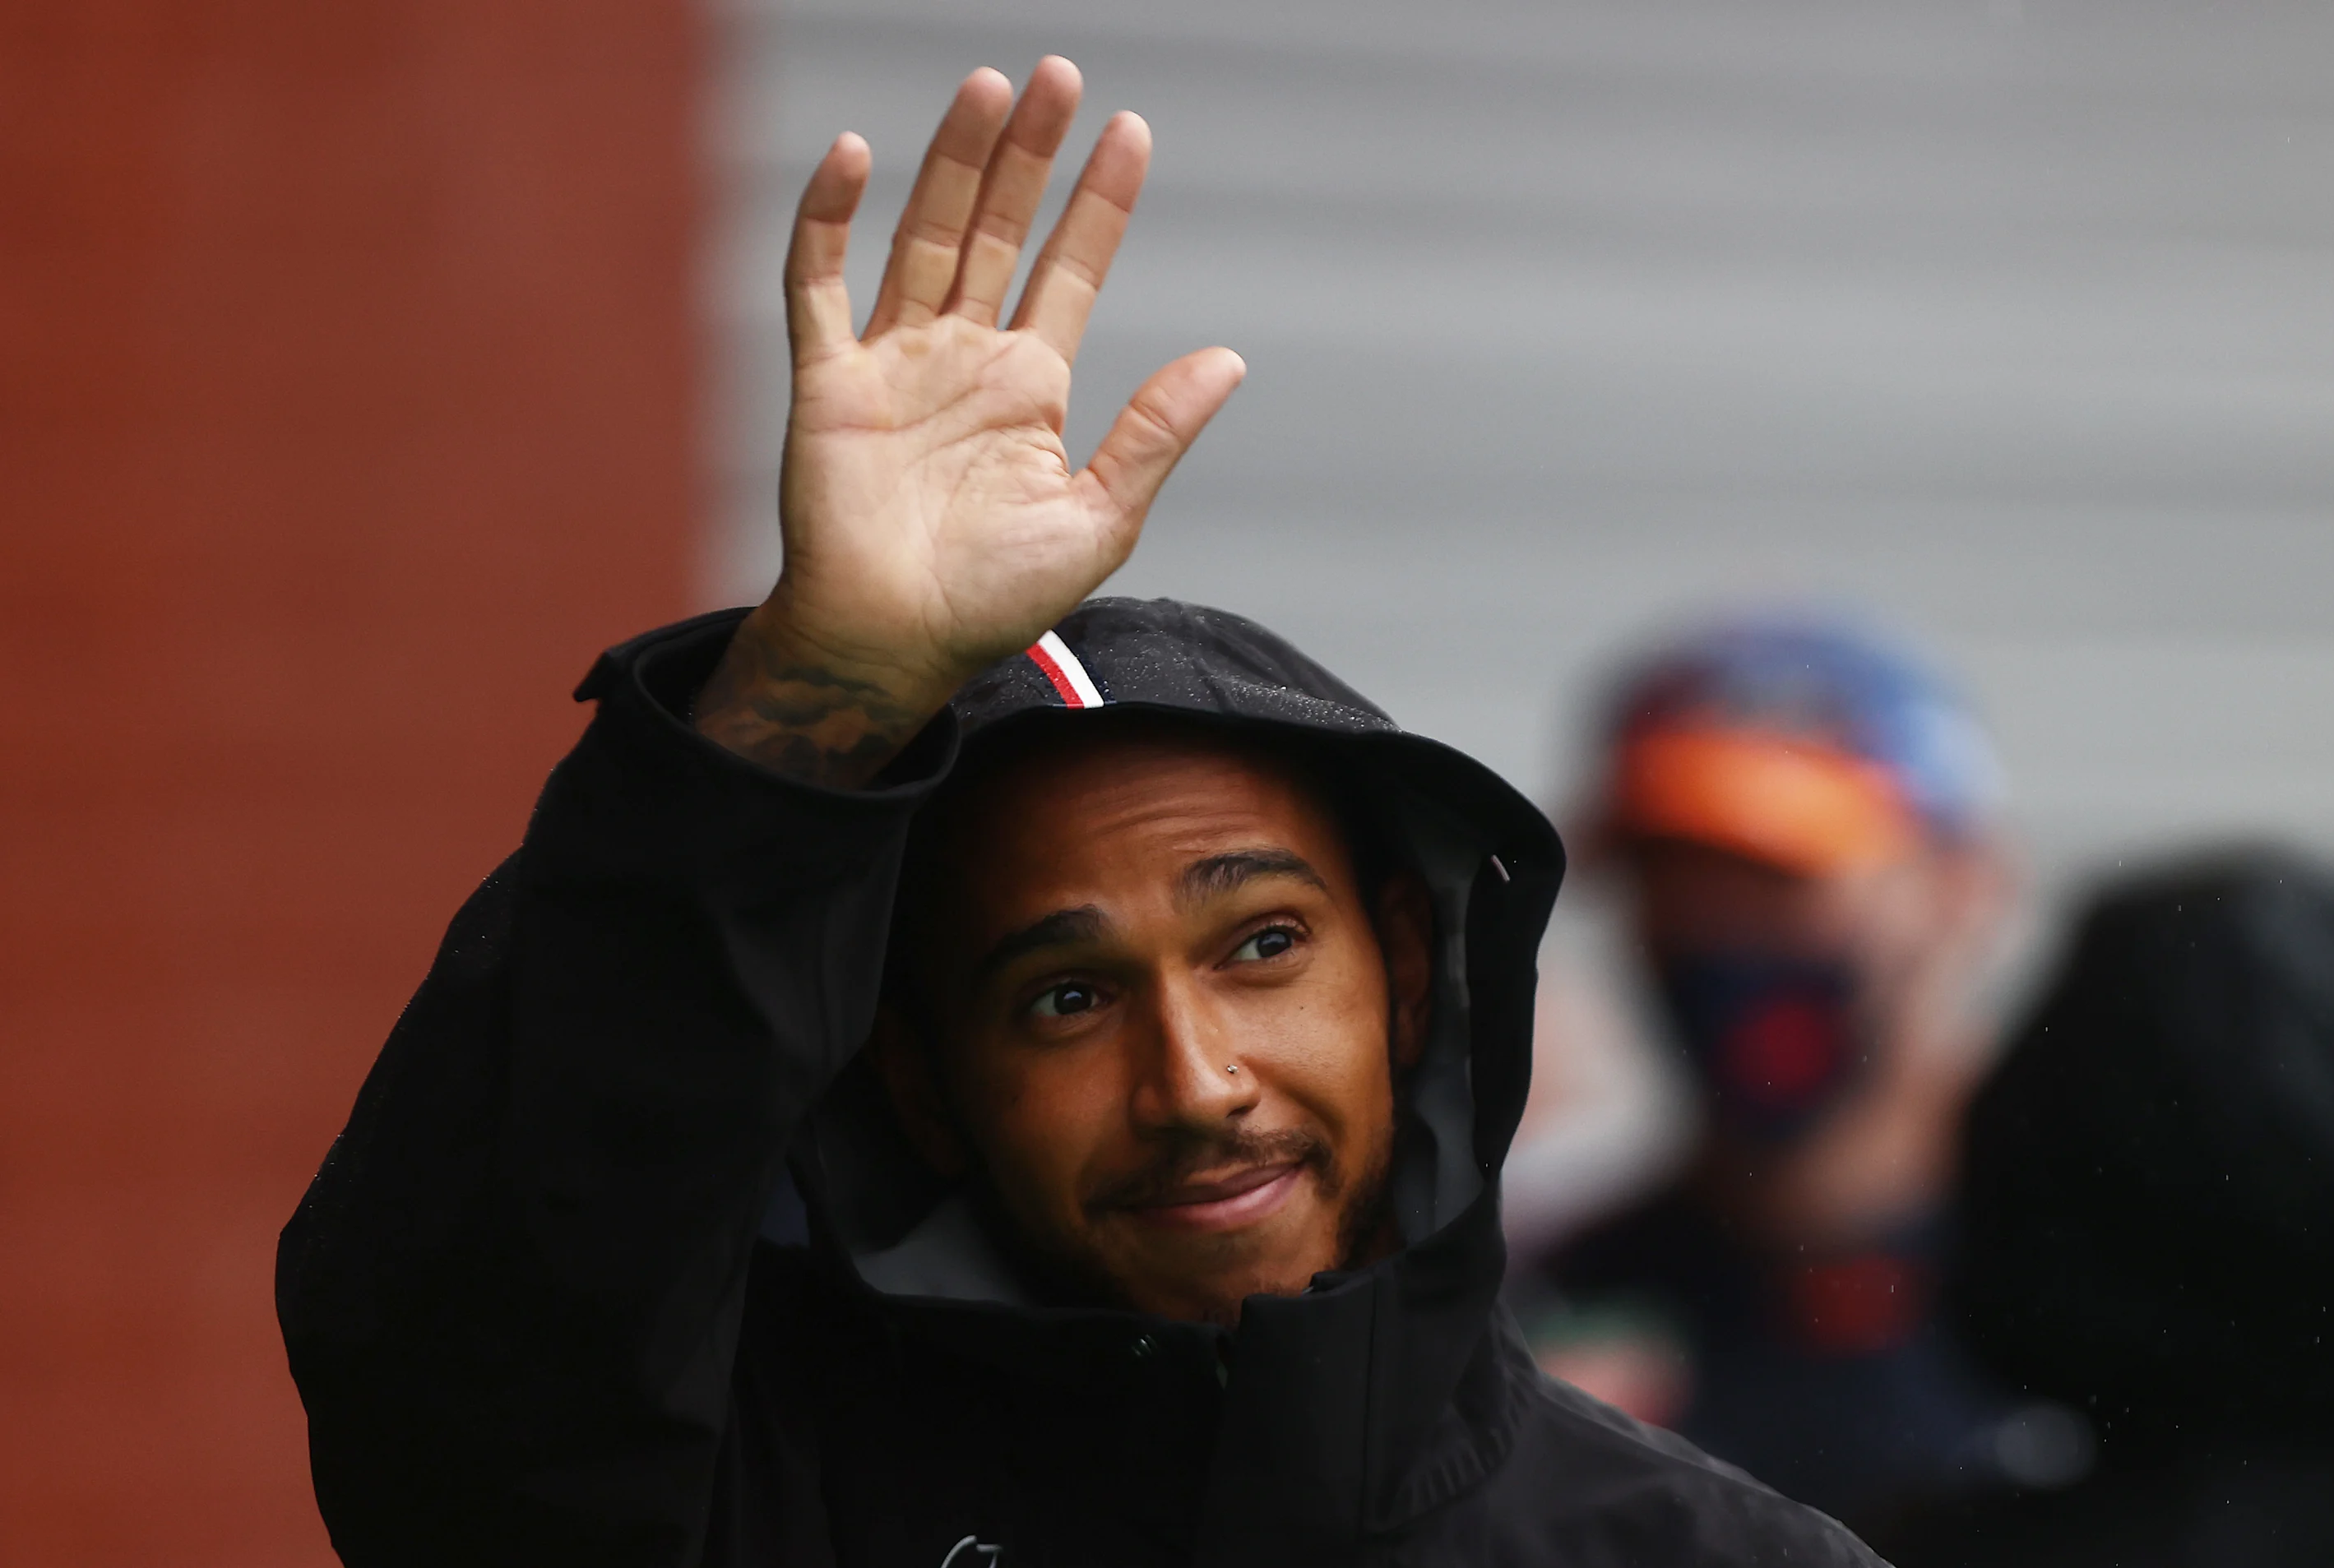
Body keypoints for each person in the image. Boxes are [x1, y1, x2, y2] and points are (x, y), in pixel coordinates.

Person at [273, 58, 1887, 1568]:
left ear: (1404, 968)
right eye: (1066, 996)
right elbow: (476, 1383)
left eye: (1260, 944)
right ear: (923, 1084)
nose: (1194, 1083)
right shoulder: (754, 1495)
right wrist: (808, 693)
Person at [1525, 617, 2078, 1528]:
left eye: (1774, 876)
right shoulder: (1544, 1317)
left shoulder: (2114, 1282)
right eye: (1666, 878)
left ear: (1963, 884)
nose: (1711, 931)